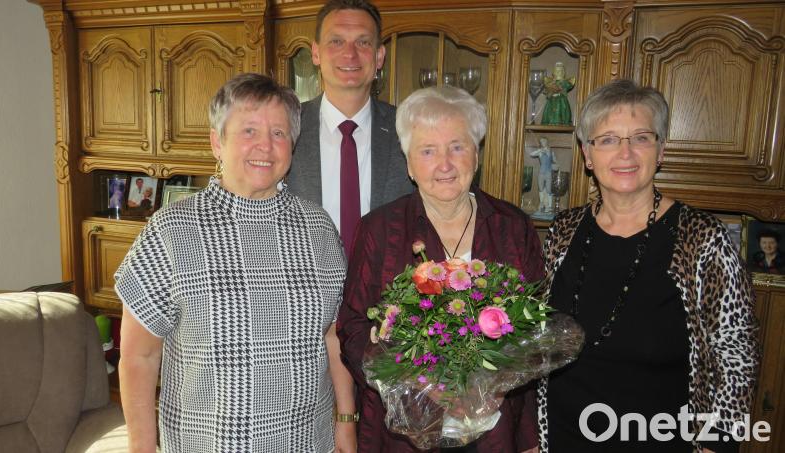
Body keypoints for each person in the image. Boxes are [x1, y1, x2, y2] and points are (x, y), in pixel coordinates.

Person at [115, 73, 356, 453]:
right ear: (217, 142)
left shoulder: (319, 228)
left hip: (309, 443)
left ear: (292, 145)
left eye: (279, 133)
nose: (265, 145)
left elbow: (333, 336)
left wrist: (345, 422)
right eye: (248, 130)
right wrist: (142, 447)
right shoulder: (172, 230)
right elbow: (139, 355)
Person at [538, 79, 759, 452]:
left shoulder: (702, 237)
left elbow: (737, 354)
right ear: (587, 154)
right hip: (563, 436)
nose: (625, 153)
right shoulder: (564, 228)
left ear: (660, 151)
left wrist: (718, 443)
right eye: (607, 139)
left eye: (640, 138)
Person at [338, 86, 542, 453]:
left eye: (457, 147)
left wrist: (524, 434)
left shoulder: (513, 228)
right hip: (401, 436)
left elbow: (535, 333)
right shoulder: (379, 230)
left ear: (476, 155)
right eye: (428, 151)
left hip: (494, 434)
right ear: (409, 164)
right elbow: (352, 329)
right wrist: (412, 381)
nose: (444, 164)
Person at [286, 0, 413, 256]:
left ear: (379, 56)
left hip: (388, 290)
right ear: (316, 53)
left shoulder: (410, 129)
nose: (350, 53)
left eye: (363, 42)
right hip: (304, 291)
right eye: (336, 41)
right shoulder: (284, 127)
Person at [540, 62, 575, 126]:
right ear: (554, 72)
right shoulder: (550, 82)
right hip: (552, 100)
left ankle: (563, 121)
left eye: (561, 71)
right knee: (550, 110)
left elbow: (567, 86)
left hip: (561, 100)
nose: (559, 73)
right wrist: (551, 89)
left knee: (561, 109)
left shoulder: (565, 82)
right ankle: (549, 121)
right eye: (557, 71)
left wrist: (560, 88)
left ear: (563, 72)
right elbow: (547, 90)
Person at [529, 137, 556, 215]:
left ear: (547, 142)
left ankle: (549, 207)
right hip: (541, 172)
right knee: (540, 189)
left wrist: (553, 160)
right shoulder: (540, 152)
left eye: (543, 141)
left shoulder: (551, 151)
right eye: (541, 142)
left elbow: (555, 161)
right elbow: (531, 154)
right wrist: (540, 150)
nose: (542, 143)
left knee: (548, 189)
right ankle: (542, 204)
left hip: (548, 172)